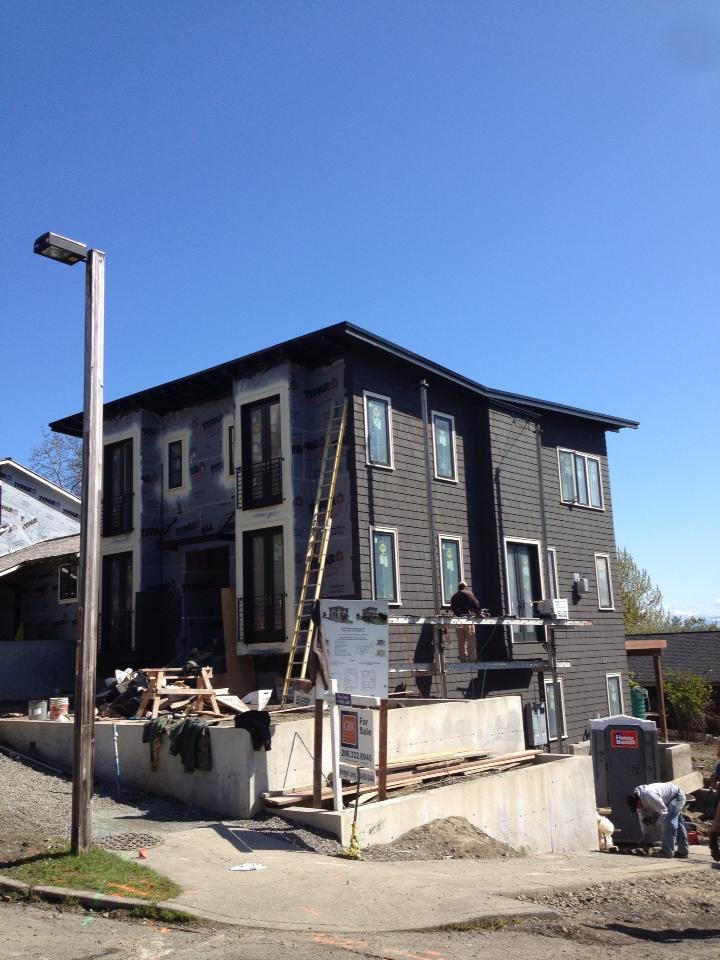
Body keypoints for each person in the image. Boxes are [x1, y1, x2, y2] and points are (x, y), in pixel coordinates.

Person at [627, 782, 689, 858]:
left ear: (639, 802)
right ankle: (683, 851)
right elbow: (642, 820)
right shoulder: (638, 800)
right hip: (667, 799)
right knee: (678, 824)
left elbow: (664, 813)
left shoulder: (650, 796)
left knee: (669, 822)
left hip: (676, 797)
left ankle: (667, 851)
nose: (639, 808)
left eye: (638, 806)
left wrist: (655, 822)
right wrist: (645, 837)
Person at [450, 581, 481, 663]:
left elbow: (452, 608)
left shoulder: (454, 596)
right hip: (468, 619)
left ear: (458, 587)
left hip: (458, 620)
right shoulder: (469, 594)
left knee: (461, 640)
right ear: (465, 587)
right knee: (471, 639)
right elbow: (476, 605)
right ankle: (472, 659)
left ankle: (462, 659)